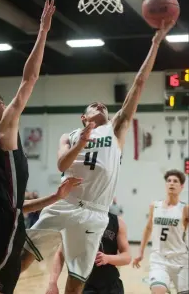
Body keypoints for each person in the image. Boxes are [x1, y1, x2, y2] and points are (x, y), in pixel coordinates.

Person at [21, 20, 175, 294]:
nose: (100, 104)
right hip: (65, 202)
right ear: (83, 117)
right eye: (93, 105)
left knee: (78, 279)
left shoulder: (115, 130)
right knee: (24, 258)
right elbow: (61, 164)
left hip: (96, 212)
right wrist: (80, 141)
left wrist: (155, 43)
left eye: (102, 104)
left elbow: (139, 84)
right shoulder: (69, 135)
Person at [0, 0, 82, 294]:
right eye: (2, 105)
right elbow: (29, 79)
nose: (9, 107)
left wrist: (55, 196)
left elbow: (15, 205)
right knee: (1, 287)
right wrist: (43, 30)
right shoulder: (2, 131)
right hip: (1, 221)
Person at [133, 169, 189, 294]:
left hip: (181, 260)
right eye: (169, 181)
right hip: (159, 259)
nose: (171, 183)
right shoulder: (155, 206)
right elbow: (148, 228)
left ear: (181, 187)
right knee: (158, 290)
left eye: (175, 181)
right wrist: (140, 252)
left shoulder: (185, 208)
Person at [46, 213, 131, 294]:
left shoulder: (117, 222)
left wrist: (107, 258)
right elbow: (60, 254)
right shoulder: (76, 219)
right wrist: (52, 283)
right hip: (82, 285)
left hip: (111, 285)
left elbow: (127, 257)